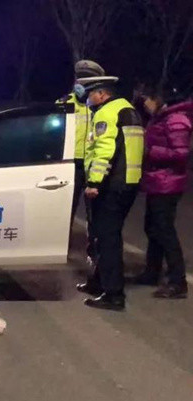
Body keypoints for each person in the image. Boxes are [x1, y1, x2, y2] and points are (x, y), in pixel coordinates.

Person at [77, 76, 145, 311]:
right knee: (103, 234)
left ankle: (113, 295)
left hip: (111, 185)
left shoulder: (107, 112)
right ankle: (98, 282)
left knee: (107, 239)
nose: (88, 99)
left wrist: (94, 182)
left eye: (90, 94)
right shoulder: (128, 109)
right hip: (128, 182)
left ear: (102, 94)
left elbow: (104, 151)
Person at [133, 85, 192, 298]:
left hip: (168, 184)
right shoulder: (161, 118)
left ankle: (178, 281)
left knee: (165, 231)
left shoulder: (176, 120)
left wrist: (150, 151)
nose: (145, 105)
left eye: (146, 100)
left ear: (158, 99)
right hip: (157, 181)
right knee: (152, 228)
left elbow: (181, 153)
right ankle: (152, 271)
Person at [57, 60, 105, 233]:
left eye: (87, 81)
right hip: (71, 164)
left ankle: (94, 243)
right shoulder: (63, 103)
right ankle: (63, 241)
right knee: (66, 209)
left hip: (94, 165)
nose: (82, 85)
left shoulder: (101, 107)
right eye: (80, 79)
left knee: (95, 212)